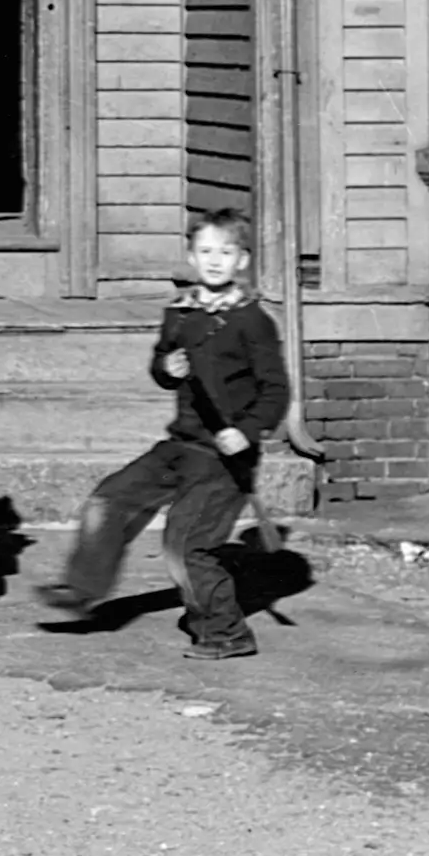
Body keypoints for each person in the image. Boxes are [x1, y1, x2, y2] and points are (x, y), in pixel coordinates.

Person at [46, 208, 292, 661]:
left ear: (242, 260)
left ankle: (224, 632)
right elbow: (161, 363)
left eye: (226, 252)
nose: (215, 260)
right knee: (110, 498)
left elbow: (276, 390)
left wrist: (248, 431)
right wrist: (166, 368)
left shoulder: (253, 320)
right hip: (181, 445)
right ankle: (81, 590)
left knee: (186, 545)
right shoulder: (180, 313)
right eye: (205, 251)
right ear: (190, 256)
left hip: (224, 459)